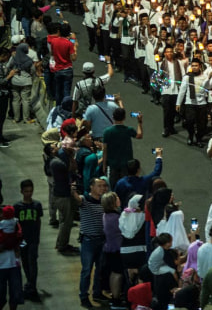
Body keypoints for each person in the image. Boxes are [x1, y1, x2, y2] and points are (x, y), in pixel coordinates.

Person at [71, 177, 109, 308]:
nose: (103, 188)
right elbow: (77, 199)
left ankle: (97, 293)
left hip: (101, 240)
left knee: (99, 269)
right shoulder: (85, 199)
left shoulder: (104, 201)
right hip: (88, 240)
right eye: (99, 186)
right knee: (87, 270)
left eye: (104, 186)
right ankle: (83, 296)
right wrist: (72, 191)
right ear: (91, 187)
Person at [13, 179, 43, 302]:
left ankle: (32, 286)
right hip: (22, 240)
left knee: (32, 262)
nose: (29, 194)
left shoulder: (37, 205)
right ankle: (30, 285)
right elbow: (15, 224)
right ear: (21, 191)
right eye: (26, 191)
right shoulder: (17, 207)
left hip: (33, 239)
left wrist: (38, 237)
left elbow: (39, 221)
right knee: (25, 261)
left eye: (30, 191)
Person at [102, 107, 143, 187]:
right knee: (126, 186)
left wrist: (104, 165)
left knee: (113, 185)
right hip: (126, 164)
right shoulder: (128, 130)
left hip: (113, 164)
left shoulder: (107, 132)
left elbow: (105, 150)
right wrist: (139, 122)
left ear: (113, 117)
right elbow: (139, 135)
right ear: (124, 118)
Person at [101, 191, 124, 307]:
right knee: (117, 274)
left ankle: (114, 296)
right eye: (116, 198)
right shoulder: (115, 218)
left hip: (110, 249)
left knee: (114, 273)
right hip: (116, 249)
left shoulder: (107, 215)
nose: (119, 199)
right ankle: (116, 298)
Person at [48, 22, 77, 105]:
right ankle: (66, 107)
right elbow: (73, 58)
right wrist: (75, 47)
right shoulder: (69, 44)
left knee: (58, 90)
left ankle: (58, 107)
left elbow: (52, 53)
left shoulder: (54, 41)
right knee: (66, 91)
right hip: (67, 69)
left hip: (57, 69)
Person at [0, 48, 15, 147]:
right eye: (6, 57)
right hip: (1, 95)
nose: (7, 59)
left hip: (3, 94)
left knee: (2, 118)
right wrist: (9, 76)